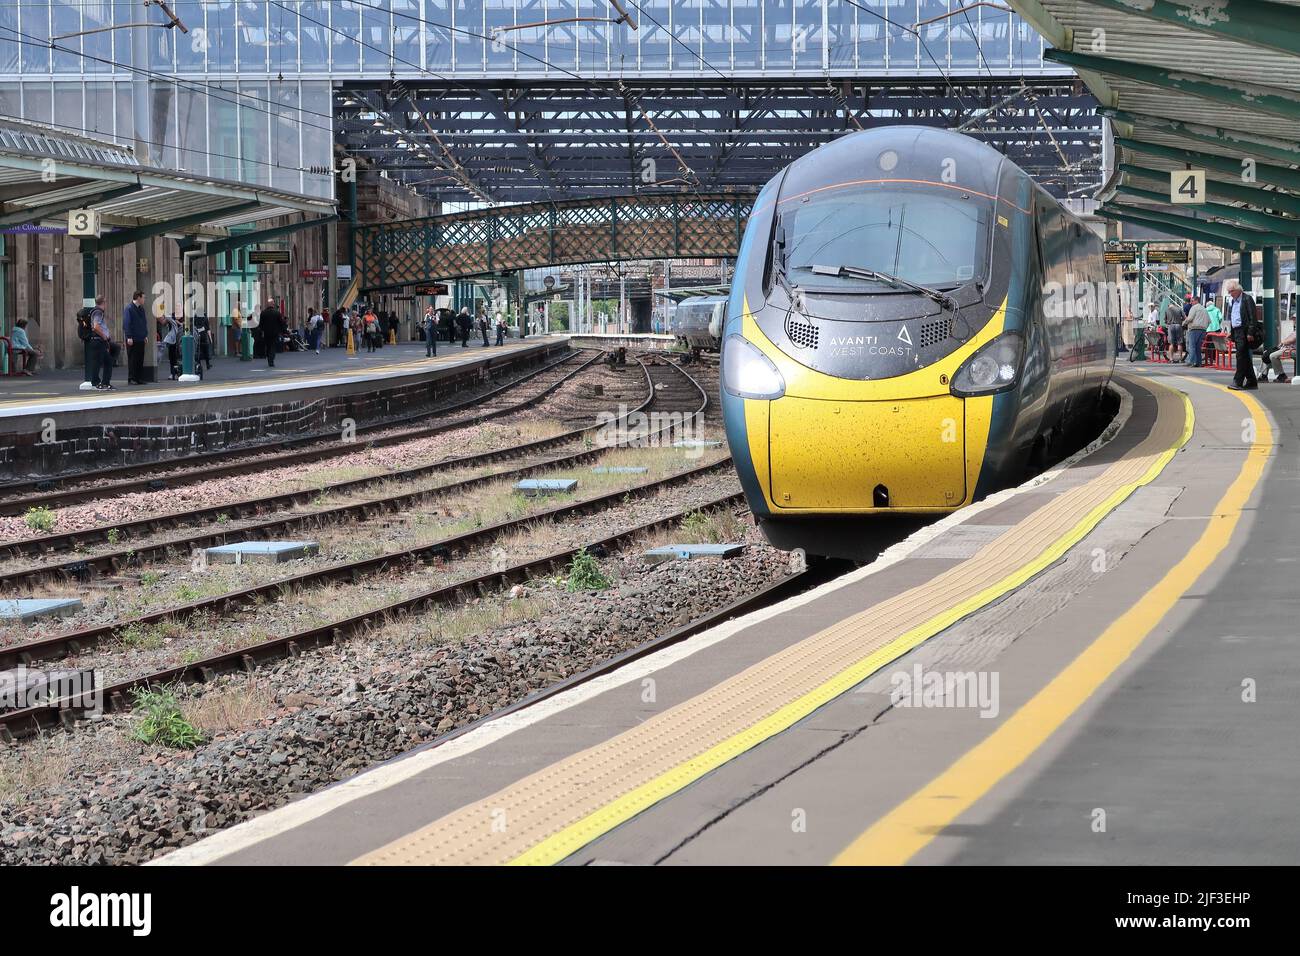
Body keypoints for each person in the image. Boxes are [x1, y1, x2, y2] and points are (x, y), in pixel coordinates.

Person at [1224, 279, 1260, 390]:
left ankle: (1238, 381)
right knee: (1244, 357)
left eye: (1231, 291)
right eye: (1229, 292)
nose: (1230, 294)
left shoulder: (1247, 299)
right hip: (1237, 331)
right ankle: (1252, 381)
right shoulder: (1233, 301)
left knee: (1240, 357)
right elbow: (1234, 317)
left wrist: (1250, 332)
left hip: (1245, 331)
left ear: (1238, 289)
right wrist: (1232, 332)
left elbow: (1252, 317)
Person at [122, 290, 148, 384]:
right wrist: (129, 336)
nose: (144, 299)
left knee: (140, 359)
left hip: (141, 337)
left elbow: (144, 323)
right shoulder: (129, 308)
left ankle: (138, 378)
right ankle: (132, 378)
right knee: (132, 359)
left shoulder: (141, 309)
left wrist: (145, 335)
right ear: (138, 297)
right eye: (143, 297)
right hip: (132, 338)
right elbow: (127, 323)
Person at [89, 294, 114, 390]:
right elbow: (96, 326)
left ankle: (103, 383)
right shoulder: (98, 312)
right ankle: (97, 383)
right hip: (98, 341)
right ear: (103, 302)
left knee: (105, 361)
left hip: (97, 341)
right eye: (106, 302)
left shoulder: (95, 311)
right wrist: (104, 337)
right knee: (101, 362)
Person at [258, 298, 285, 367]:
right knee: (273, 346)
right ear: (273, 304)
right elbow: (281, 323)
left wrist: (261, 331)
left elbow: (261, 324)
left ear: (268, 304)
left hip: (266, 333)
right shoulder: (277, 313)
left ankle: (269, 358)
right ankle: (271, 360)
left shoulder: (263, 313)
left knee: (268, 346)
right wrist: (282, 330)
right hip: (275, 333)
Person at [1184, 298, 1210, 368]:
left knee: (1192, 346)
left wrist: (1184, 323)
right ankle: (1199, 362)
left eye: (1192, 301)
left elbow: (1190, 318)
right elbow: (1209, 321)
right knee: (1198, 347)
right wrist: (1205, 327)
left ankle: (1191, 362)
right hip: (1203, 330)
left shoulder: (1194, 308)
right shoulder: (1204, 309)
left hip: (1194, 328)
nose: (1191, 303)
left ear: (1196, 301)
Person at [161, 314, 182, 379]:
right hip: (173, 338)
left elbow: (163, 322)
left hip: (178, 337)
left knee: (175, 356)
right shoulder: (170, 315)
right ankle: (174, 373)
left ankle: (176, 373)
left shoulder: (171, 316)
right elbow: (163, 323)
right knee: (172, 356)